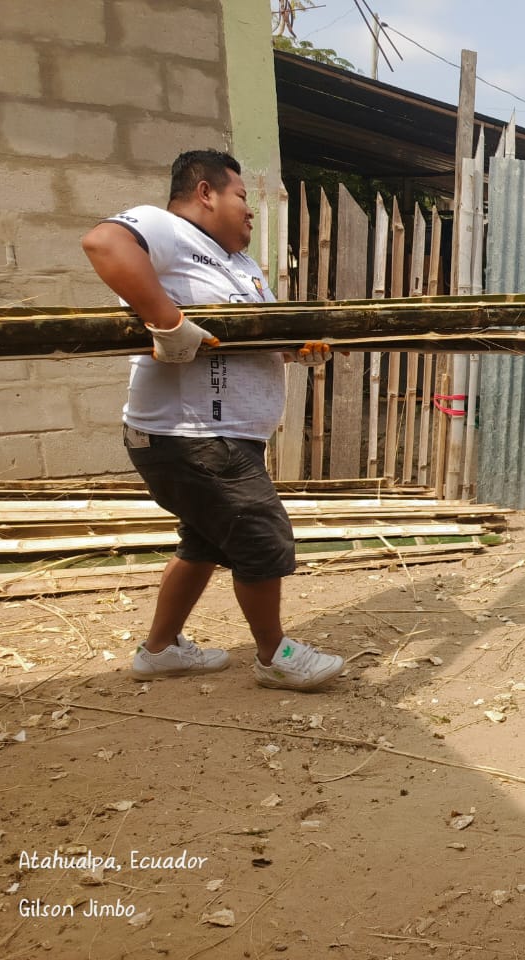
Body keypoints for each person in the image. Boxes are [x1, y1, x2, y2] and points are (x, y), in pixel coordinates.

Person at [82, 149, 345, 691]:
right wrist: (168, 321)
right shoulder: (167, 228)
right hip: (192, 434)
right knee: (262, 537)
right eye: (241, 196)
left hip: (222, 436)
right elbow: (103, 243)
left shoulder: (241, 266)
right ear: (205, 193)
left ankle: (160, 650)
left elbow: (256, 336)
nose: (250, 211)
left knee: (203, 542)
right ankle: (274, 656)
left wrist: (297, 349)